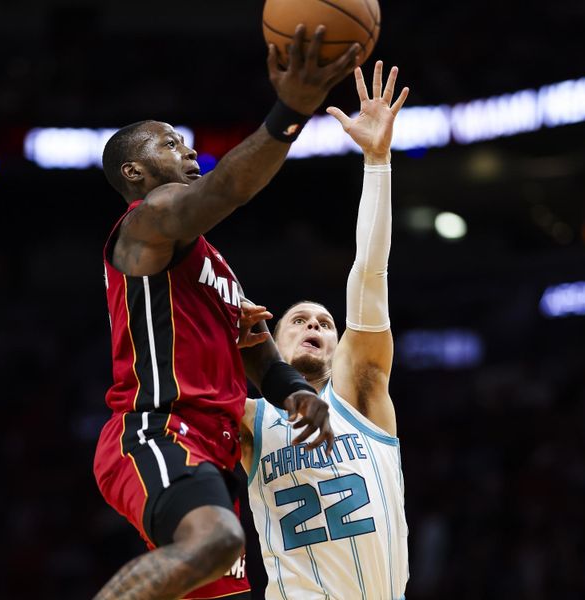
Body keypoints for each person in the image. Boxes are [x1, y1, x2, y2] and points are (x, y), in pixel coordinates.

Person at [92, 25, 360, 600]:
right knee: (216, 541)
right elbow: (224, 191)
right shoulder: (148, 221)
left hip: (212, 449)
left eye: (186, 142)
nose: (188, 150)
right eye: (169, 143)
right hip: (157, 429)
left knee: (223, 577)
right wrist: (291, 110)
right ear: (134, 172)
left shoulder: (214, 266)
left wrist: (293, 391)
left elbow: (257, 351)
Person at [240, 61, 410, 599]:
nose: (315, 322)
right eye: (299, 319)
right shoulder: (248, 419)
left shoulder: (359, 393)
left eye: (326, 322)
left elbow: (369, 273)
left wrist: (377, 162)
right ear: (275, 340)